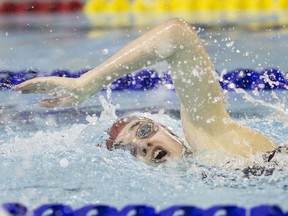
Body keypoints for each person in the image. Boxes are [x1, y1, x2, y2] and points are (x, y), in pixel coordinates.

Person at [14, 18, 277, 165]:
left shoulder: (210, 139)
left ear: (171, 131)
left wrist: (87, 83)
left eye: (143, 131)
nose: (143, 144)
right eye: (131, 151)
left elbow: (177, 36)